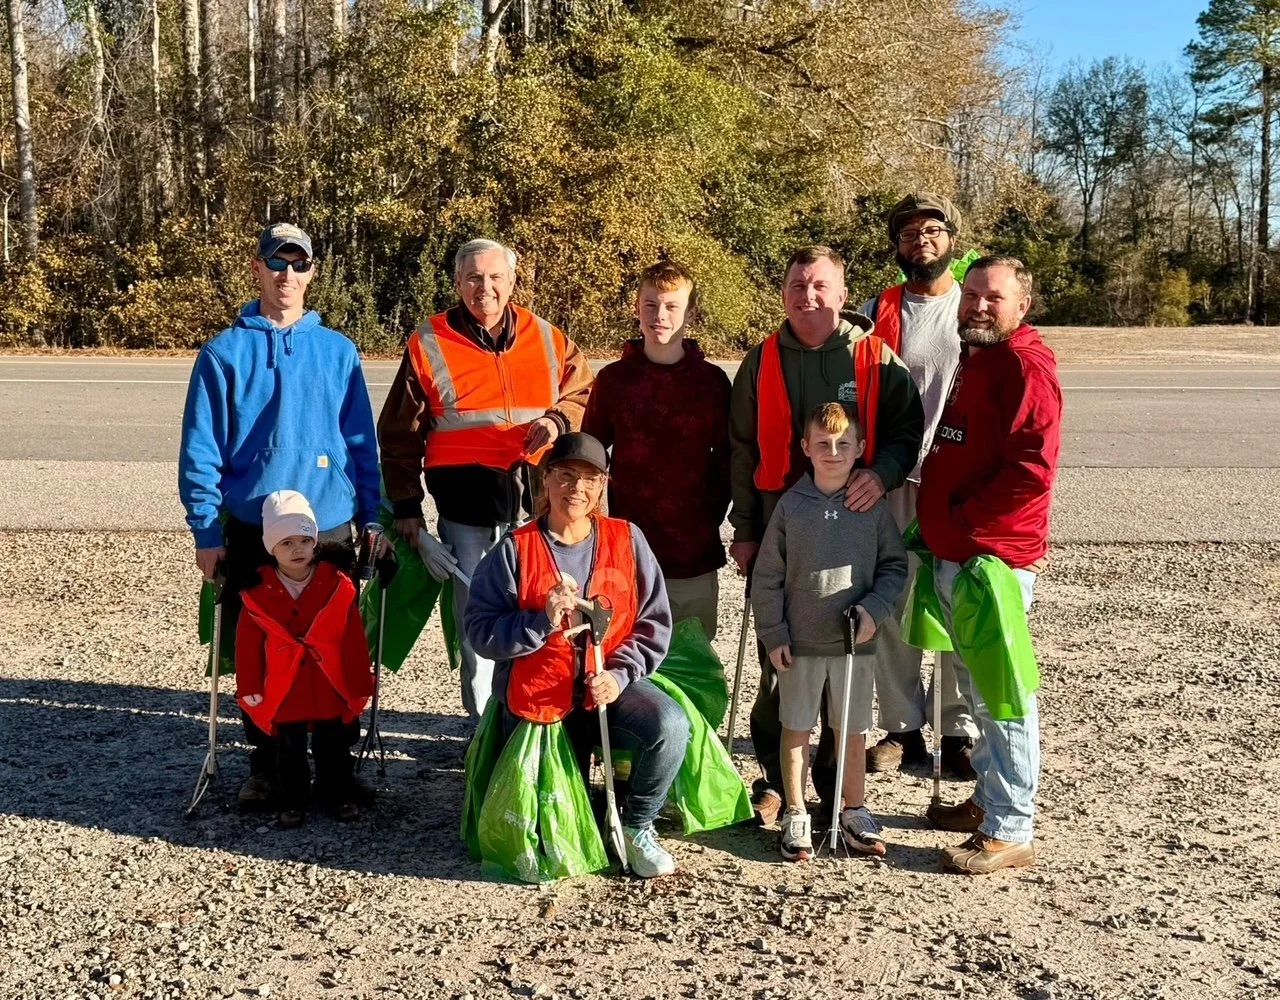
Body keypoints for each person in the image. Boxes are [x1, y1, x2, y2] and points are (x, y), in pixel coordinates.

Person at [179, 222, 380, 809]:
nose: (287, 274)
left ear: (313, 272)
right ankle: (267, 767)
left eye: (299, 263)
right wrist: (205, 529)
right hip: (250, 527)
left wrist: (373, 519)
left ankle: (337, 770)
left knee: (334, 645)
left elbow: (361, 443)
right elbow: (201, 448)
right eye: (276, 262)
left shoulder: (338, 351)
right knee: (262, 652)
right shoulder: (222, 354)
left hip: (333, 525)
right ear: (257, 268)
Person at [727, 245, 924, 827]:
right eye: (796, 286)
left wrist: (881, 474)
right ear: (783, 292)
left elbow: (906, 430)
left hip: (852, 539)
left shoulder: (874, 358)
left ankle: (838, 787)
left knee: (846, 668)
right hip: (780, 534)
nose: (807, 297)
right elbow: (740, 450)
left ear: (842, 294)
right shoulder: (760, 360)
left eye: (819, 286)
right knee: (778, 660)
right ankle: (775, 783)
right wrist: (745, 528)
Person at [378, 239, 594, 720]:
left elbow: (584, 393)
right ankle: (482, 732)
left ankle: (542, 715)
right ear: (457, 283)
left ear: (513, 281)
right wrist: (408, 507)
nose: (485, 288)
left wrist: (558, 421)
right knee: (479, 621)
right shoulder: (428, 341)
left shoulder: (548, 338)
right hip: (466, 505)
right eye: (473, 278)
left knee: (549, 609)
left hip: (540, 502)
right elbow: (399, 433)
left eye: (495, 277)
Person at [463, 433, 687, 877]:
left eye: (589, 479)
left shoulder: (628, 538)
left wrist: (620, 676)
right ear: (545, 480)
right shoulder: (514, 549)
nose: (576, 489)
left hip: (607, 685)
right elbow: (480, 631)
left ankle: (636, 825)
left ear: (602, 485)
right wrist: (539, 622)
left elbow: (654, 624)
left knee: (670, 724)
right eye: (565, 475)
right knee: (557, 839)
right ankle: (585, 808)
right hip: (537, 696)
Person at [916, 256, 1062, 874]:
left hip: (991, 558)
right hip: (960, 549)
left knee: (1002, 693)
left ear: (1021, 306)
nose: (977, 305)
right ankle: (988, 799)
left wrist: (963, 519)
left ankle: (1011, 827)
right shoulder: (980, 358)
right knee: (977, 691)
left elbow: (1032, 469)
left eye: (992, 297)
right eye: (971, 294)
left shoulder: (1025, 368)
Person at [752, 404, 908, 860]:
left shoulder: (872, 509)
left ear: (860, 448)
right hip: (800, 645)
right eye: (822, 444)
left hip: (853, 647)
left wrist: (875, 611)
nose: (833, 452)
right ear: (806, 448)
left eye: (843, 445)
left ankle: (854, 807)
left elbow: (894, 567)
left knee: (852, 732)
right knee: (796, 728)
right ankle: (797, 810)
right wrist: (774, 632)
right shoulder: (791, 507)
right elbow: (767, 577)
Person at [859, 193, 978, 779]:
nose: (921, 241)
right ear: (898, 247)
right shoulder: (874, 310)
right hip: (892, 479)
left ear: (951, 240)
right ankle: (902, 729)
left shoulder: (975, 305)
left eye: (932, 230)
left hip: (958, 485)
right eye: (908, 234)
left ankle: (958, 730)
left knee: (959, 603)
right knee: (894, 604)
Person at [583, 260, 731, 639]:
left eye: (671, 306)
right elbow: (590, 459)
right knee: (626, 656)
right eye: (650, 305)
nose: (659, 315)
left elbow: (730, 460)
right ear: (637, 308)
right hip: (628, 550)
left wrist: (709, 516)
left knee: (693, 660)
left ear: (690, 313)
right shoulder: (614, 381)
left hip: (692, 553)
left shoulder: (711, 384)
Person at [235, 491, 374, 828]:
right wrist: (250, 685)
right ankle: (293, 799)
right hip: (286, 684)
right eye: (286, 543)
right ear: (271, 548)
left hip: (328, 680)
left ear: (315, 542)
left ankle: (338, 793)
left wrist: (359, 679)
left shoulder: (338, 584)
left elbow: (352, 636)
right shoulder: (257, 592)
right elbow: (248, 644)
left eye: (304, 540)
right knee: (289, 748)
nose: (297, 549)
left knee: (334, 743)